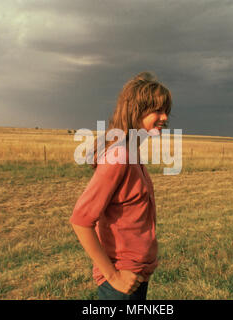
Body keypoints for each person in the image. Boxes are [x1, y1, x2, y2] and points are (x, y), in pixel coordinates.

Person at [69, 71, 172, 300]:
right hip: (121, 284)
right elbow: (80, 220)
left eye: (167, 110)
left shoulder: (132, 153)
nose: (165, 117)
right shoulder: (119, 157)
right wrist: (114, 276)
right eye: (157, 110)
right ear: (136, 111)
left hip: (136, 276)